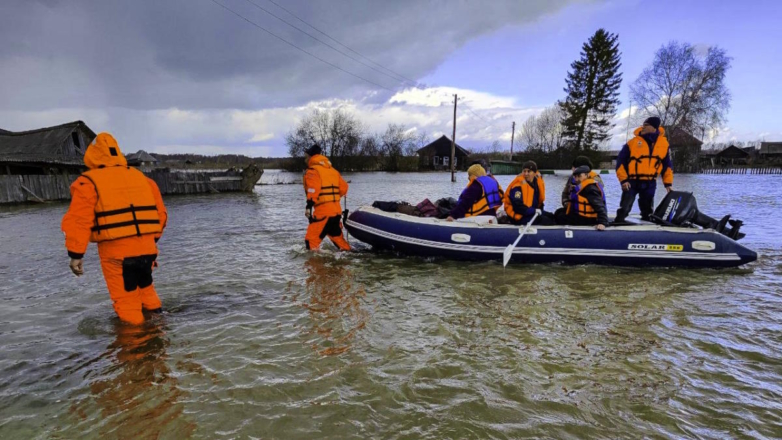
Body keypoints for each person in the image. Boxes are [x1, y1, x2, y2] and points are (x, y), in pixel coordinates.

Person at [61, 133, 167, 325]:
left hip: (117, 253)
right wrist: (151, 239)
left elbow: (78, 220)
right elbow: (161, 214)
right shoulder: (143, 179)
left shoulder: (88, 183)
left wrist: (76, 254)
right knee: (146, 289)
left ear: (92, 155)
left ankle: (135, 346)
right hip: (147, 249)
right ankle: (158, 329)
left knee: (126, 301)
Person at [615, 117, 674, 222]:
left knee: (647, 210)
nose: (643, 127)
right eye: (643, 125)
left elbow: (667, 166)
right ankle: (618, 222)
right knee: (625, 207)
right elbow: (620, 162)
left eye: (646, 125)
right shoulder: (632, 143)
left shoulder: (664, 144)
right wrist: (624, 180)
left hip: (650, 182)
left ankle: (647, 229)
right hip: (632, 181)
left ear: (654, 127)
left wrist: (668, 184)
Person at [303, 144, 350, 251]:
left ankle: (314, 267)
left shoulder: (313, 171)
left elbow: (312, 191)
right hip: (336, 213)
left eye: (306, 157)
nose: (305, 160)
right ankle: (349, 261)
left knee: (311, 242)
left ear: (311, 157)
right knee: (340, 242)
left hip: (323, 214)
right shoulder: (333, 171)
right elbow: (344, 188)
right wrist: (332, 198)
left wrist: (308, 207)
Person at [556, 165, 608, 230]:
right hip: (581, 215)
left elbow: (600, 206)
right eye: (575, 177)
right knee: (559, 212)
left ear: (586, 175)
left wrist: (602, 222)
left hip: (589, 219)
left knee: (561, 217)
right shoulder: (581, 186)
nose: (576, 179)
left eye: (579, 176)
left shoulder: (590, 189)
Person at [502, 161, 553, 225]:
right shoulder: (517, 187)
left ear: (534, 173)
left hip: (531, 213)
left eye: (529, 171)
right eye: (524, 171)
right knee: (545, 220)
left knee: (552, 216)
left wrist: (538, 210)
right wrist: (534, 211)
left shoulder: (536, 185)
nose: (526, 174)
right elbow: (518, 207)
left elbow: (538, 202)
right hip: (518, 216)